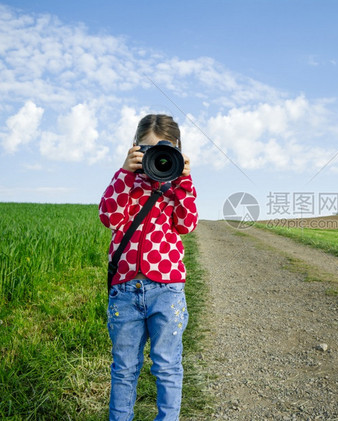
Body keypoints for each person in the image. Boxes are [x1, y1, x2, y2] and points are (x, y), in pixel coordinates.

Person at [99, 114, 198, 421]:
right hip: (125, 290)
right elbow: (109, 217)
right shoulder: (127, 184)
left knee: (167, 366)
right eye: (147, 149)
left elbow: (187, 224)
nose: (157, 157)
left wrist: (182, 179)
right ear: (135, 148)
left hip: (167, 291)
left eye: (165, 150)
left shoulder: (177, 187)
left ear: (178, 149)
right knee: (124, 369)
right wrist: (124, 174)